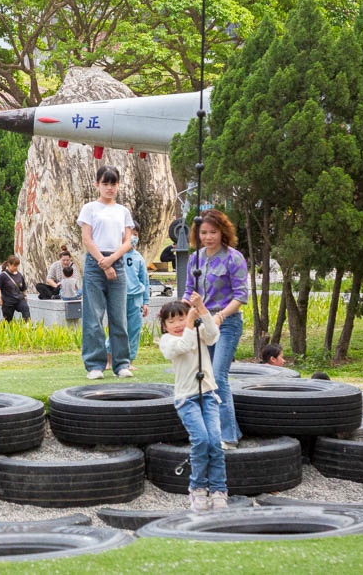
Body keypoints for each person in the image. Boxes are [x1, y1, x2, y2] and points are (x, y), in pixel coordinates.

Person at [183, 208, 248, 449]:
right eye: (203, 232)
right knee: (206, 377)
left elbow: (241, 295)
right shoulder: (195, 258)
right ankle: (227, 429)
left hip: (227, 323)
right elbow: (189, 290)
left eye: (213, 232)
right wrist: (180, 310)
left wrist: (220, 316)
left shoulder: (234, 258)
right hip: (202, 324)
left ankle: (228, 437)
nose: (208, 237)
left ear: (223, 232)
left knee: (219, 375)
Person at [158, 295, 227, 511]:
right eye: (172, 321)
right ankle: (197, 488)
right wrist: (190, 320)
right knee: (201, 440)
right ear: (164, 326)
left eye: (181, 318)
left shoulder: (198, 331)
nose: (178, 324)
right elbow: (184, 346)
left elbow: (213, 336)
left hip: (208, 394)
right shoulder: (167, 341)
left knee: (215, 442)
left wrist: (201, 309)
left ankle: (218, 490)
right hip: (186, 399)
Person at [78, 165, 135, 380]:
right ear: (97, 185)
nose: (110, 188)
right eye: (105, 183)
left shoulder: (123, 211)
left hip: (117, 262)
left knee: (119, 317)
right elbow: (87, 239)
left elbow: (127, 241)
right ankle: (94, 365)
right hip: (95, 264)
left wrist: (112, 260)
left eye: (113, 183)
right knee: (93, 317)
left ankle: (121, 364)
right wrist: (103, 262)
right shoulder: (90, 208)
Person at [116, 224, 150, 364]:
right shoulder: (116, 255)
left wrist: (146, 302)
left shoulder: (138, 258)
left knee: (134, 330)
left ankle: (129, 361)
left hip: (136, 298)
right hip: (119, 297)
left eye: (136, 234)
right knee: (118, 328)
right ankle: (109, 358)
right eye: (131, 234)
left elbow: (144, 280)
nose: (133, 237)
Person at [0, 255, 30, 323]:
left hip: (19, 299)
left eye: (17, 266)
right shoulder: (2, 276)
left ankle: (27, 325)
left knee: (25, 309)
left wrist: (25, 296)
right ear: (9, 264)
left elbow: (23, 288)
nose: (16, 267)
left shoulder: (19, 275)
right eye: (14, 266)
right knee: (7, 321)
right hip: (8, 302)